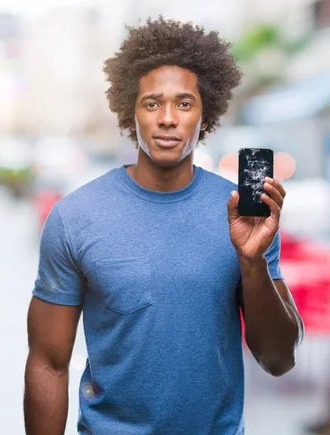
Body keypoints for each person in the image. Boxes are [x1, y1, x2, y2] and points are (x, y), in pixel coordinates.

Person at [23, 17, 304, 435]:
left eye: (184, 103)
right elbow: (48, 361)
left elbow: (279, 360)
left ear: (204, 112)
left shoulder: (246, 215)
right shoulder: (75, 217)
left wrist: (252, 262)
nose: (168, 118)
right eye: (152, 103)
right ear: (129, 111)